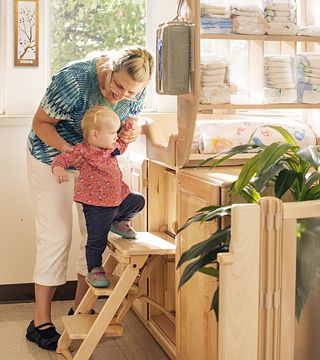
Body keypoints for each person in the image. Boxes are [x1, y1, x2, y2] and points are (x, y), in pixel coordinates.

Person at [26, 45, 154, 350]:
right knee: (56, 236)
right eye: (118, 85)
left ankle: (80, 311)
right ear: (109, 68)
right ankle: (40, 322)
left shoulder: (135, 91)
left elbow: (126, 124)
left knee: (92, 236)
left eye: (130, 92)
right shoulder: (76, 80)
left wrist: (130, 131)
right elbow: (40, 123)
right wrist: (73, 154)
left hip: (96, 167)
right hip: (52, 158)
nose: (121, 94)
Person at [51, 105, 145, 288]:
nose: (115, 137)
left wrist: (127, 129)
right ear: (94, 135)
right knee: (96, 240)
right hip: (96, 207)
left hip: (117, 200)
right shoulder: (82, 151)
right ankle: (94, 269)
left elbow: (123, 145)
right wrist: (58, 169)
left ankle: (118, 222)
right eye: (112, 133)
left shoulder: (111, 148)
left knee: (138, 201)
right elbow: (61, 159)